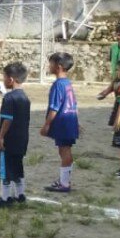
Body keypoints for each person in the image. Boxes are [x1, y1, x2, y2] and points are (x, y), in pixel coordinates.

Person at [0, 62, 30, 208]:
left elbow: (7, 120)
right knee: (18, 166)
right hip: (22, 139)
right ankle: (20, 195)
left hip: (9, 140)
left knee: (5, 169)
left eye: (4, 77)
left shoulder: (9, 98)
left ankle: (5, 199)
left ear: (11, 79)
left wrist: (0, 137)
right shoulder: (25, 98)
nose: (3, 80)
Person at [41, 52, 80, 193]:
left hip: (63, 122)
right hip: (70, 120)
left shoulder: (58, 85)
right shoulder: (68, 83)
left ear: (58, 67)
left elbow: (54, 108)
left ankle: (64, 183)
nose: (48, 66)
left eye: (50, 63)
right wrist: (76, 122)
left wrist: (46, 125)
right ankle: (64, 180)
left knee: (64, 151)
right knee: (65, 150)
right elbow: (74, 104)